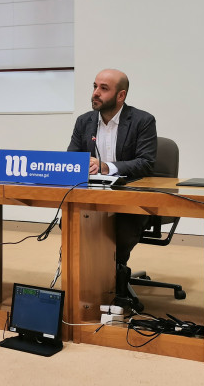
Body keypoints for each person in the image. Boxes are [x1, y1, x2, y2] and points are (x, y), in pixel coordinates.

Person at [67, 68, 157, 274]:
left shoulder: (142, 121)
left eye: (103, 88)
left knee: (121, 231)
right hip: (92, 198)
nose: (95, 92)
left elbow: (146, 163)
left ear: (121, 95)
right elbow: (71, 159)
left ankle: (113, 276)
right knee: (69, 222)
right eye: (95, 86)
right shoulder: (84, 121)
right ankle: (90, 278)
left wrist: (108, 167)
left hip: (130, 201)